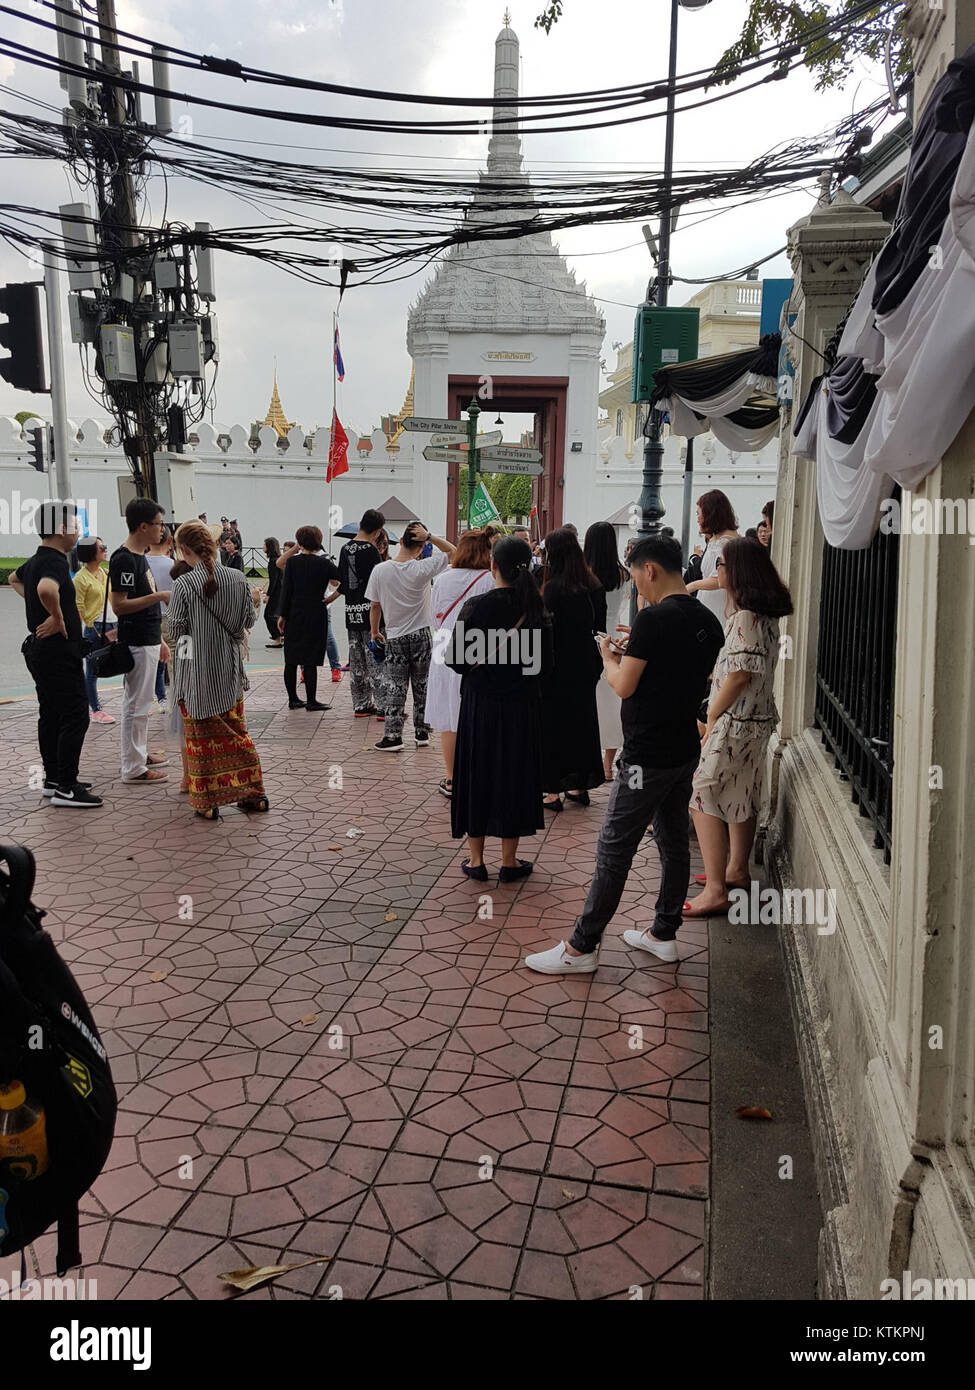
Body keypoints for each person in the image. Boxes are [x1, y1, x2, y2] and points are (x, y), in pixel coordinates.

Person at [525, 535, 724, 975]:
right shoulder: (708, 620)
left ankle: (582, 946)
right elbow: (689, 672)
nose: (635, 583)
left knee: (614, 845)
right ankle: (663, 932)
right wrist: (637, 652)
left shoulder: (654, 620)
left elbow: (622, 685)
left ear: (649, 569)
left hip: (645, 756)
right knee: (673, 843)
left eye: (635, 573)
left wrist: (609, 655)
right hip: (682, 751)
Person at [685, 538, 793, 916]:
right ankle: (736, 869)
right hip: (756, 721)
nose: (718, 573)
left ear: (737, 572)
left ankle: (716, 887)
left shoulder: (746, 617)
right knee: (742, 793)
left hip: (736, 720)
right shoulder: (765, 617)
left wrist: (712, 713)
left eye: (722, 567)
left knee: (703, 793)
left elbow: (740, 674)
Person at [446, 536, 551, 880]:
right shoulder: (537, 611)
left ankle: (476, 861)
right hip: (521, 709)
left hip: (480, 708)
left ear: (493, 566)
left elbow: (456, 661)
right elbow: (545, 666)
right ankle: (509, 860)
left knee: (477, 774)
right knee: (514, 777)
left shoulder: (476, 607)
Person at [167, 521, 267, 821]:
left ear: (184, 551)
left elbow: (176, 629)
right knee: (236, 732)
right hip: (229, 670)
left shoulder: (183, 584)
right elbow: (248, 621)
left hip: (196, 673)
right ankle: (254, 794)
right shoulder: (238, 578)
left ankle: (208, 802)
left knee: (201, 739)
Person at [10, 503, 101, 807]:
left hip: (40, 652)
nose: (77, 532)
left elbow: (14, 579)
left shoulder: (36, 559)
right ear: (61, 529)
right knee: (76, 714)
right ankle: (67, 786)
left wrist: (37, 610)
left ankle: (53, 779)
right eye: (75, 526)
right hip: (57, 652)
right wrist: (58, 617)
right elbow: (47, 590)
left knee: (50, 713)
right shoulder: (55, 562)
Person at [365, 521, 455, 752]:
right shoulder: (423, 568)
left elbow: (375, 606)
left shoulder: (380, 570)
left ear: (401, 542)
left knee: (396, 685)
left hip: (394, 635)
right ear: (420, 547)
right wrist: (431, 536)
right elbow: (454, 552)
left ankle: (393, 736)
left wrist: (375, 632)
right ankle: (422, 731)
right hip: (422, 634)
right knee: (422, 684)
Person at [427, 525, 499, 796]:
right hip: (479, 650)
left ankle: (452, 778)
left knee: (448, 718)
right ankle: (482, 775)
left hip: (444, 648)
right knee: (479, 713)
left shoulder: (444, 578)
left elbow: (436, 615)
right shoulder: (489, 579)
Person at [539, 528, 605, 809]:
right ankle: (579, 786)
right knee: (583, 722)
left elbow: (546, 631)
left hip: (558, 664)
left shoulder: (554, 589)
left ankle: (552, 790)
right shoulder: (593, 585)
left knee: (553, 726)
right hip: (586, 662)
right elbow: (598, 627)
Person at [109, 498, 171, 784]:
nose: (162, 530)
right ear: (143, 526)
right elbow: (120, 605)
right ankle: (133, 767)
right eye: (158, 524)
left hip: (148, 638)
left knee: (142, 702)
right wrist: (158, 597)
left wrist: (159, 638)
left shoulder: (140, 556)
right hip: (135, 641)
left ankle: (139, 754)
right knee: (136, 704)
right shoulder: (123, 558)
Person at [277, 526, 341, 710]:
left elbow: (286, 591)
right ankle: (311, 700)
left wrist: (282, 615)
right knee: (310, 658)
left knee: (291, 658)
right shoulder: (324, 563)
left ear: (300, 541)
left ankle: (293, 699)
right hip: (316, 610)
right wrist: (330, 598)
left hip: (294, 612)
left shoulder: (292, 563)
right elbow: (343, 580)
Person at [584, 521, 629, 781]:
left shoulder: (585, 575)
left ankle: (588, 760)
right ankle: (607, 764)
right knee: (612, 705)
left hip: (591, 640)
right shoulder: (622, 573)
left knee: (590, 704)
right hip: (613, 640)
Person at [335, 508, 385, 716]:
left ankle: (361, 704)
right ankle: (383, 706)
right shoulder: (371, 551)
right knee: (376, 659)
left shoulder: (345, 549)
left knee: (356, 661)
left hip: (351, 611)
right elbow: (379, 581)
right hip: (370, 613)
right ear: (377, 531)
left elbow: (342, 581)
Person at [73, 537, 117, 725]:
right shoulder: (80, 579)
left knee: (122, 661)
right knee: (92, 671)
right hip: (96, 629)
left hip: (113, 625)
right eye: (102, 547)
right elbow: (78, 607)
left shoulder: (105, 572)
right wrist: (90, 626)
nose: (105, 550)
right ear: (91, 553)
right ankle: (96, 710)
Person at [685, 490, 739, 625]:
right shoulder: (718, 538)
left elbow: (720, 579)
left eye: (699, 513)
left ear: (710, 513)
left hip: (718, 603)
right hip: (709, 600)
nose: (697, 518)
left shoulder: (726, 542)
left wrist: (692, 586)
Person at [146, 528, 175, 712]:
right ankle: (173, 702)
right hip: (170, 619)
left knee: (147, 664)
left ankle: (146, 703)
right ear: (170, 541)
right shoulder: (173, 565)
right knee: (173, 664)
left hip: (148, 620)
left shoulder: (140, 563)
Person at [262, 538, 283, 646]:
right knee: (277, 615)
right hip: (281, 591)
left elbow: (273, 581)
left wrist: (268, 596)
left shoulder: (273, 562)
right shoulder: (278, 559)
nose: (262, 546)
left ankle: (277, 637)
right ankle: (280, 634)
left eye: (264, 545)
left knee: (269, 615)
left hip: (276, 592)